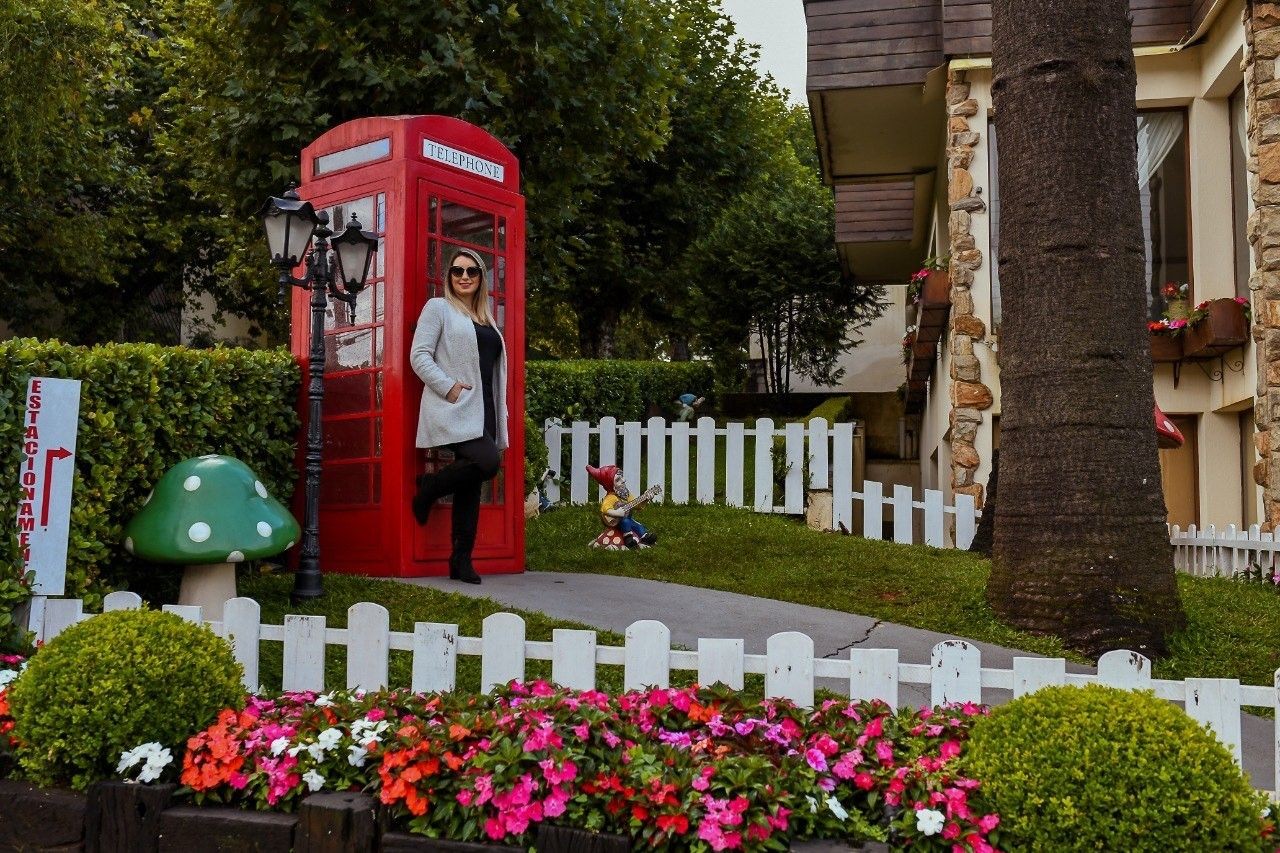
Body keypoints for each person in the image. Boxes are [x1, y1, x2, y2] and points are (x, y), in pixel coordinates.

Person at [409, 248, 508, 584]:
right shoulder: (438, 308)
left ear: (481, 278)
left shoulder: (486, 319)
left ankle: (460, 560)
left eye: (472, 271)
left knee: (472, 485)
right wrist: (448, 387)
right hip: (455, 406)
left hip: (485, 411)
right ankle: (431, 486)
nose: (464, 276)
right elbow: (419, 356)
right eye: (457, 271)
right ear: (449, 277)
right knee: (487, 463)